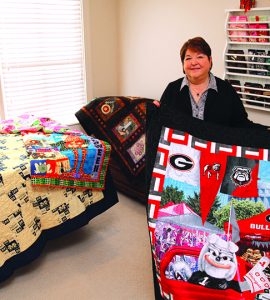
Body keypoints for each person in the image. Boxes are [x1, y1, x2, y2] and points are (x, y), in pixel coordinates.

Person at [158, 36, 267, 129]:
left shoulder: (226, 89)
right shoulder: (172, 89)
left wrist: (266, 131)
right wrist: (153, 113)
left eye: (200, 57)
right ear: (183, 64)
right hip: (181, 153)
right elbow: (161, 122)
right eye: (188, 58)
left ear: (210, 61)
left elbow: (241, 124)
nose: (194, 62)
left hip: (216, 152)